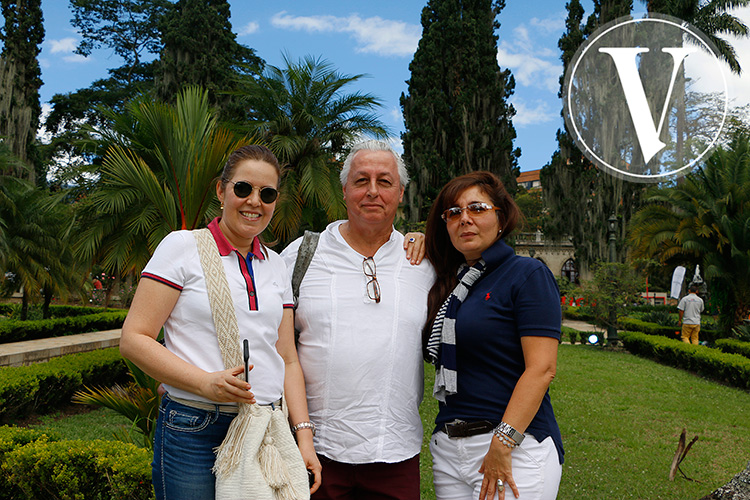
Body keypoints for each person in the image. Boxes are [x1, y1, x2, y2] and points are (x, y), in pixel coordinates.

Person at [119, 145, 321, 500]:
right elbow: (134, 338)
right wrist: (204, 383)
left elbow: (287, 356)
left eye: (267, 193)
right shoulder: (182, 247)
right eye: (243, 188)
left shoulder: (275, 265)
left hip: (267, 429)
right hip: (195, 427)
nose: (254, 201)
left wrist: (303, 436)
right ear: (221, 190)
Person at [281, 140, 435, 500]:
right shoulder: (301, 256)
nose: (372, 191)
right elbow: (260, 331)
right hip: (313, 450)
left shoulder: (425, 263)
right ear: (345, 189)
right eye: (361, 180)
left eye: (384, 182)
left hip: (395, 452)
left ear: (400, 193)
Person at [423, 171, 563, 500]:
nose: (465, 219)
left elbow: (542, 369)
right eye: (454, 213)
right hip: (449, 449)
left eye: (477, 209)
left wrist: (503, 442)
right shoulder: (450, 283)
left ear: (501, 217)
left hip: (514, 447)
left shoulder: (526, 274)